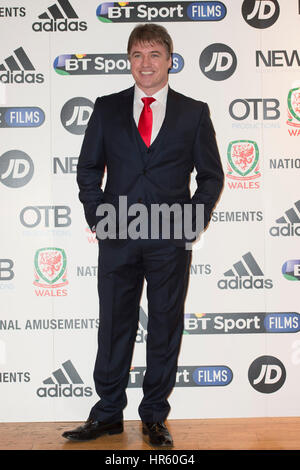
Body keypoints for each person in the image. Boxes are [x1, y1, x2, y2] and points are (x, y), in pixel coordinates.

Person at [62, 23, 224, 447]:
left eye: (154, 55)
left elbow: (210, 176)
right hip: (118, 236)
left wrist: (193, 220)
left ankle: (153, 416)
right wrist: (99, 217)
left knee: (164, 327)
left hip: (170, 240)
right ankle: (108, 414)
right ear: (129, 62)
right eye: (137, 55)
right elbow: (88, 169)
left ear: (170, 60)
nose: (145, 64)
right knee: (114, 324)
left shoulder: (194, 112)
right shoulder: (107, 107)